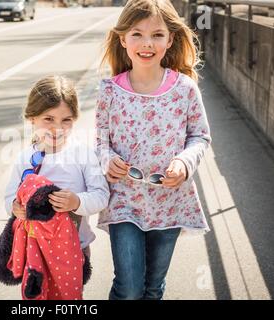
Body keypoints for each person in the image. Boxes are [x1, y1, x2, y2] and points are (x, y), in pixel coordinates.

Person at [96, 0, 212, 300]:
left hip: (170, 204)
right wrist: (108, 160)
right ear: (123, 39)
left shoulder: (184, 88)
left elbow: (200, 136)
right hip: (124, 202)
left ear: (170, 39)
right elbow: (100, 142)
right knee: (129, 288)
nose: (147, 44)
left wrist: (185, 163)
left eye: (157, 35)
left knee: (152, 288)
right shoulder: (109, 90)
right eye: (137, 34)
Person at [4, 75, 110, 293]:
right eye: (48, 119)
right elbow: (9, 198)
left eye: (66, 120)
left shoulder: (83, 155)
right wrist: (15, 207)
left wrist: (77, 201)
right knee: (37, 296)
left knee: (68, 296)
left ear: (75, 119)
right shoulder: (25, 158)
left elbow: (101, 195)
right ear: (32, 118)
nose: (57, 128)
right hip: (34, 247)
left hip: (75, 247)